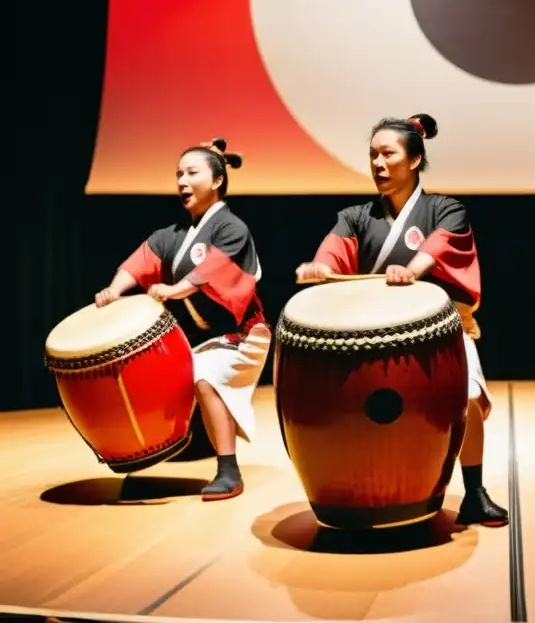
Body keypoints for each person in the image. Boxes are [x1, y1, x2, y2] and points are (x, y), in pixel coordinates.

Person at [296, 114, 509, 528]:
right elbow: (333, 251)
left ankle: (475, 492)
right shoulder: (356, 216)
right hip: (370, 335)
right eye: (372, 154)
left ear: (413, 160)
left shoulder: (445, 209)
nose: (377, 162)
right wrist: (319, 268)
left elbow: (439, 248)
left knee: (466, 396)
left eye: (387, 153)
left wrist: (412, 269)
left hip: (441, 332)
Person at [95, 138, 271, 501]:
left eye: (192, 173)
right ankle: (146, 460)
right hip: (195, 340)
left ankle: (228, 471)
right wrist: (113, 291)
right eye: (178, 174)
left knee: (205, 378)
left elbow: (214, 270)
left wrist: (175, 289)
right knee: (144, 378)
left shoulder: (231, 228)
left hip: (240, 335)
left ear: (218, 180)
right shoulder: (171, 236)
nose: (182, 182)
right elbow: (138, 263)